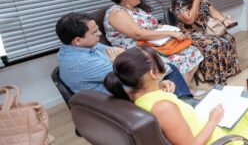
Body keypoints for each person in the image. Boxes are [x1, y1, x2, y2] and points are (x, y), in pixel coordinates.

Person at [104, 46, 248, 145]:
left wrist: (158, 86)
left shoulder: (131, 96)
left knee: (239, 110)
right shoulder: (163, 107)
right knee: (243, 116)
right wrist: (213, 120)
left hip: (188, 132)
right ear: (152, 73)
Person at [55, 12, 194, 101]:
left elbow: (122, 52)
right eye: (95, 32)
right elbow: (129, 72)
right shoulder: (79, 62)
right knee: (164, 71)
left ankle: (184, 103)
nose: (100, 34)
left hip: (121, 86)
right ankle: (184, 106)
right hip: (116, 101)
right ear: (77, 40)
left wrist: (116, 61)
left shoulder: (85, 46)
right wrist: (118, 62)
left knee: (167, 68)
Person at [103, 0, 203, 84]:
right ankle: (178, 90)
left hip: (153, 44)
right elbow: (138, 34)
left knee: (192, 50)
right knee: (178, 59)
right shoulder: (116, 12)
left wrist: (164, 27)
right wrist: (170, 33)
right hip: (136, 51)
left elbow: (151, 25)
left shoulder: (136, 9)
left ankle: (183, 88)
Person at [170, 0, 241, 84]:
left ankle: (228, 71)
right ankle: (211, 75)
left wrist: (224, 20)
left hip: (205, 28)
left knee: (229, 39)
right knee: (214, 44)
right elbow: (190, 20)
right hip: (189, 32)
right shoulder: (178, 1)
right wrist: (195, 0)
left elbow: (212, 10)